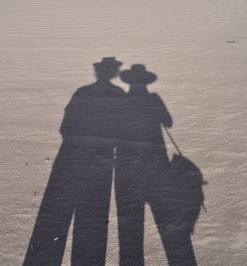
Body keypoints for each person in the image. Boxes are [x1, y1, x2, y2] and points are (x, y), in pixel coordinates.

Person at [23, 57, 125, 266]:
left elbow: (65, 128)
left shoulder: (83, 91)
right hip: (99, 160)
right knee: (93, 217)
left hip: (74, 157)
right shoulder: (117, 94)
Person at [116, 64, 202, 266]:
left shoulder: (123, 100)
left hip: (129, 164)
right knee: (166, 219)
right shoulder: (153, 99)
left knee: (131, 226)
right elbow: (169, 123)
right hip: (156, 161)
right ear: (145, 82)